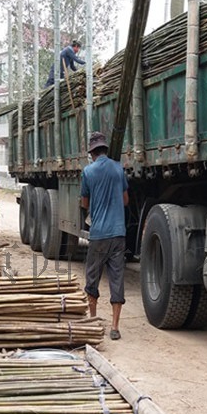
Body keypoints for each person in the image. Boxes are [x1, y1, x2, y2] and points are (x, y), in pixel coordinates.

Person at [80, 131, 129, 340]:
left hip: (98, 234)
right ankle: (115, 327)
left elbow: (84, 203)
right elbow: (125, 200)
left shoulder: (88, 172)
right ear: (105, 150)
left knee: (93, 278)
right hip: (118, 233)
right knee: (117, 279)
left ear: (92, 152)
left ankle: (93, 320)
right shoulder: (119, 169)